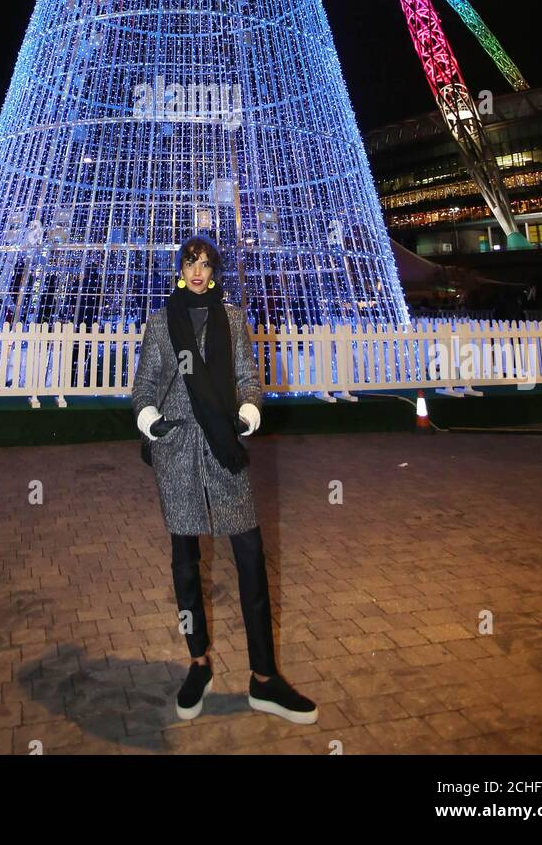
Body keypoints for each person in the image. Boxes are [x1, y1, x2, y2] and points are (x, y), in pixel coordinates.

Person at [133, 235, 318, 725]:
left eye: (206, 263)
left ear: (215, 270)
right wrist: (152, 420)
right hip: (178, 453)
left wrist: (250, 412)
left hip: (224, 448)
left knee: (252, 559)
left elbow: (249, 380)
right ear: (180, 268)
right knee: (185, 564)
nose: (198, 271)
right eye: (191, 262)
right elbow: (145, 384)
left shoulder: (232, 319)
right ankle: (197, 662)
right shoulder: (161, 322)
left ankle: (264, 677)